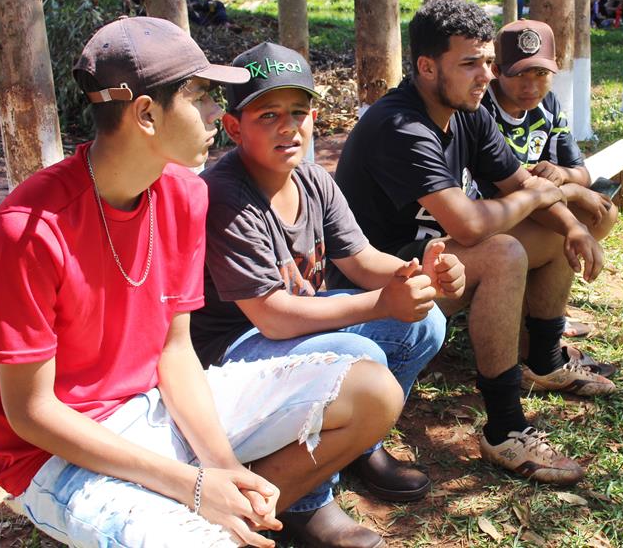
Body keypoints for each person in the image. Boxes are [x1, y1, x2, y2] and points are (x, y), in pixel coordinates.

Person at [0, 16, 403, 548]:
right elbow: (31, 413)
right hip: (56, 452)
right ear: (145, 114)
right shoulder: (30, 230)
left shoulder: (185, 194)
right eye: (202, 96)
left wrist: (222, 470)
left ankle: (238, 518)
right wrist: (192, 484)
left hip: (156, 406)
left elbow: (174, 350)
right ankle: (199, 524)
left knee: (371, 390)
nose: (216, 114)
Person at [191, 41, 465, 547]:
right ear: (233, 128)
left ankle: (358, 444)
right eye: (267, 114)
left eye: (298, 112)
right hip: (230, 355)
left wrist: (420, 273)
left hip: (288, 332)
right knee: (357, 354)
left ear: (314, 116)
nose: (287, 126)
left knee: (425, 322)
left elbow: (361, 261)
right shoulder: (226, 196)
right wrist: (383, 304)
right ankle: (304, 503)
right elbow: (271, 317)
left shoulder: (314, 179)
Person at [334, 0, 617, 486]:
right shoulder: (401, 125)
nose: (485, 75)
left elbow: (517, 185)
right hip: (378, 291)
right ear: (426, 66)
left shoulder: (467, 109)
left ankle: (544, 361)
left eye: (488, 62)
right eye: (470, 63)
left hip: (440, 267)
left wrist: (570, 224)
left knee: (551, 230)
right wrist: (553, 196)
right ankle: (505, 428)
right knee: (502, 250)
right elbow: (467, 224)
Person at [481, 19, 618, 377]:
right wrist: (570, 192)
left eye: (541, 73)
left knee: (604, 212)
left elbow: (580, 170)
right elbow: (508, 188)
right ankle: (541, 349)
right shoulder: (482, 110)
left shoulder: (548, 103)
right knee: (564, 231)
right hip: (493, 219)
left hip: (534, 207)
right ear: (496, 71)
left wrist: (567, 179)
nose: (531, 86)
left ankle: (539, 317)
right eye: (520, 75)